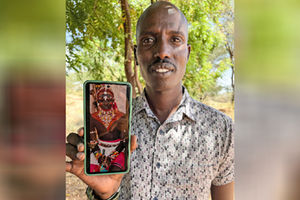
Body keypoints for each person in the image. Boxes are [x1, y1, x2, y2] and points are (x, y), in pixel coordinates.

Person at [66, 1, 234, 200]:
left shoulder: (221, 130)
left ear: (187, 53)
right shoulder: (112, 128)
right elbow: (106, 190)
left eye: (175, 39)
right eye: (148, 40)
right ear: (136, 55)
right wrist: (105, 195)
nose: (162, 51)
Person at [88, 84, 128, 173]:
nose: (105, 102)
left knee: (115, 171)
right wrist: (99, 157)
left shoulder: (120, 116)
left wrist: (111, 157)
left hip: (118, 150)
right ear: (97, 101)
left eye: (109, 99)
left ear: (113, 101)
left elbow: (124, 140)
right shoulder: (93, 117)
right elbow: (91, 140)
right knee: (95, 173)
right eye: (102, 100)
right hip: (98, 150)